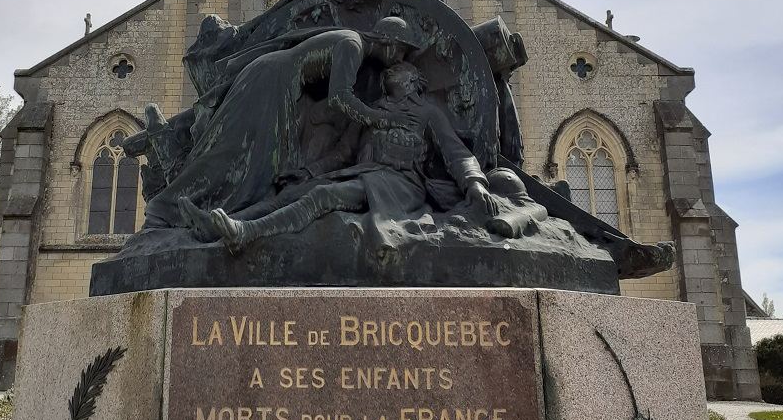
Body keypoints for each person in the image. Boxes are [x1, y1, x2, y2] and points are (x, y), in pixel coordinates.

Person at [205, 62, 548, 253]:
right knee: (294, 192)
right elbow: (342, 153)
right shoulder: (371, 112)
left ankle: (246, 232)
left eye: (398, 70)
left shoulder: (428, 112)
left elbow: (457, 152)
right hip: (365, 174)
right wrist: (308, 171)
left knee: (324, 196)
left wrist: (475, 185)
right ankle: (218, 225)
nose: (390, 73)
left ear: (412, 79)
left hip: (401, 185)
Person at [142, 18, 420, 228]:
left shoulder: (353, 44)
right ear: (387, 40)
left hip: (281, 85)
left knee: (259, 166)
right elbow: (339, 98)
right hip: (270, 81)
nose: (400, 59)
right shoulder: (352, 45)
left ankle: (217, 218)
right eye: (401, 51)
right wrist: (384, 119)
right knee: (233, 151)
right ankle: (163, 209)